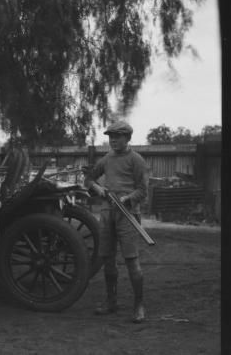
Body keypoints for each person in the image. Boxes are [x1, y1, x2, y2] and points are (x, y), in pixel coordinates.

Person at [85, 120, 148, 324]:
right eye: (110, 137)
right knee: (107, 259)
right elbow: (89, 179)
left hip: (128, 215)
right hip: (107, 213)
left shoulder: (136, 160)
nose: (113, 140)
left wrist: (128, 198)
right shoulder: (107, 159)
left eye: (117, 137)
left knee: (131, 261)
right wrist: (97, 189)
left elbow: (143, 191)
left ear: (127, 138)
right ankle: (111, 302)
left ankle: (139, 306)